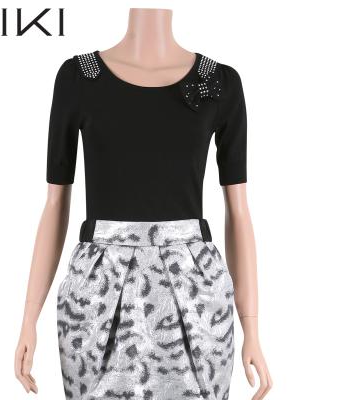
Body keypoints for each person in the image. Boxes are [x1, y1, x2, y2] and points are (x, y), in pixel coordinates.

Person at [14, 8, 272, 400]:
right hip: (96, 301)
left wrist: (251, 328)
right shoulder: (78, 78)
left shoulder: (220, 83)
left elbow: (238, 211)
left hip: (196, 297)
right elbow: (55, 203)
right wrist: (28, 318)